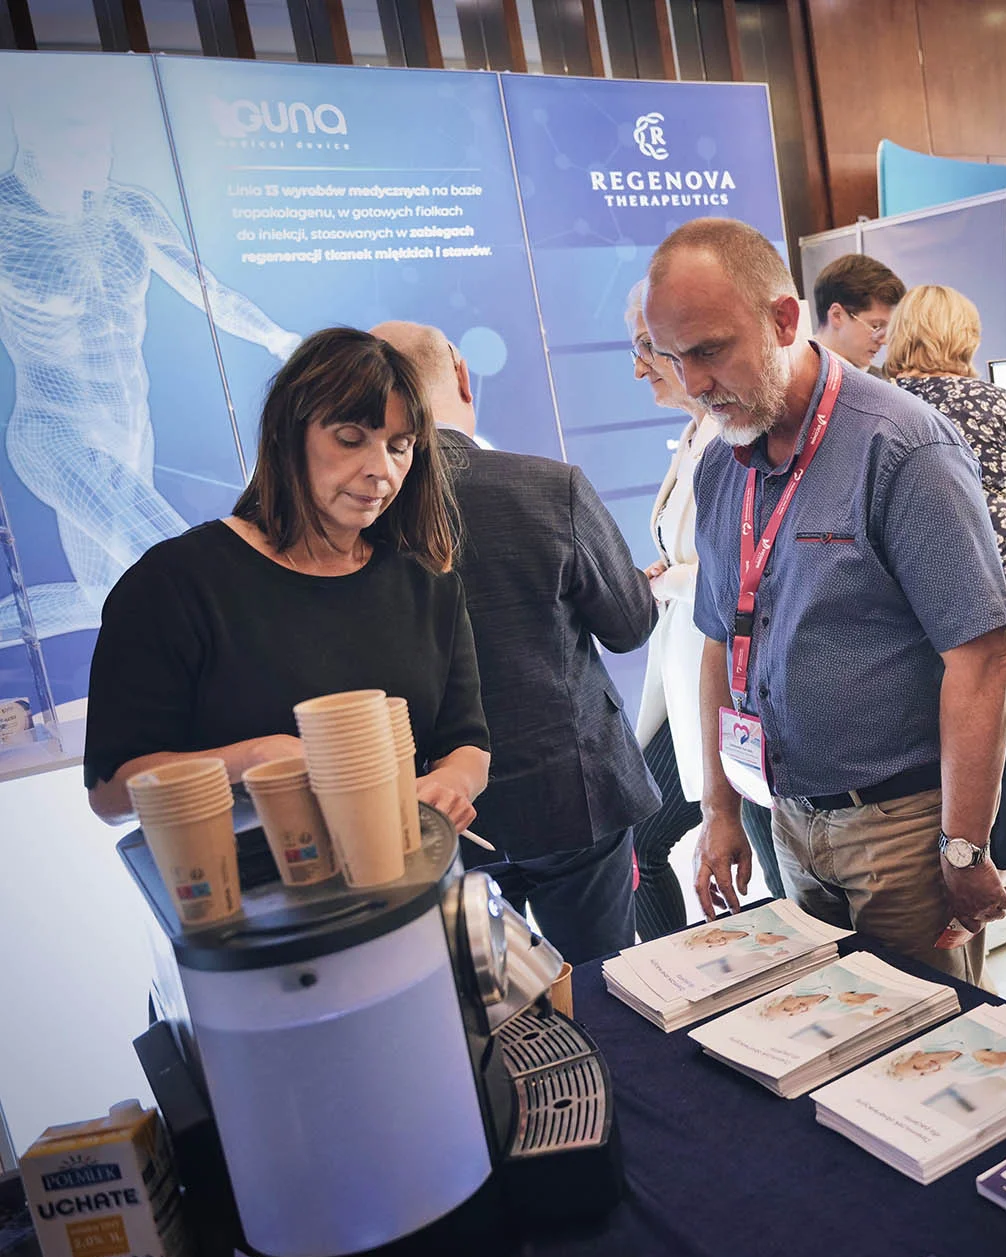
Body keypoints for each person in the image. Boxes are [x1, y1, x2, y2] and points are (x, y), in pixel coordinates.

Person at [642, 218, 1006, 985]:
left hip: (903, 830)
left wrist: (963, 845)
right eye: (675, 360)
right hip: (786, 816)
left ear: (784, 319)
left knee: (925, 1057)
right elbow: (719, 640)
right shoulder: (723, 467)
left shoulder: (902, 447)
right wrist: (719, 809)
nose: (696, 384)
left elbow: (979, 659)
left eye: (710, 351)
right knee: (830, 1043)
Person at [83, 327, 489, 834]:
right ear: (288, 434)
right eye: (350, 439)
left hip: (407, 876)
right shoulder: (175, 583)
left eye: (400, 446)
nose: (380, 470)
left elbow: (466, 741)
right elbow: (112, 791)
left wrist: (453, 782)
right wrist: (254, 757)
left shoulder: (427, 582)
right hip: (245, 895)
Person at [371, 322, 659, 962]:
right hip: (572, 799)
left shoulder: (358, 516)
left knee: (483, 1008)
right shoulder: (549, 487)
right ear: (463, 375)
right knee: (604, 990)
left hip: (444, 814)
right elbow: (629, 626)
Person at [0, 70, 300, 646]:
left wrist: (277, 338)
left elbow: (207, 290)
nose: (99, 159)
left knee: (102, 597)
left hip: (131, 432)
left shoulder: (127, 210)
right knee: (194, 568)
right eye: (80, 143)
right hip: (57, 435)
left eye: (104, 142)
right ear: (29, 135)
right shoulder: (6, 218)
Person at [887, 284, 1006, 1001]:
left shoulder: (871, 409)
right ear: (965, 336)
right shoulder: (1001, 405)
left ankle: (944, 930)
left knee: (931, 768)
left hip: (915, 614)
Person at [622, 282, 784, 939]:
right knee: (642, 838)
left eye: (645, 348)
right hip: (689, 680)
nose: (640, 367)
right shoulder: (694, 437)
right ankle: (674, 984)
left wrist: (674, 581)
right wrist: (673, 576)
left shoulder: (739, 438)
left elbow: (754, 571)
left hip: (740, 693)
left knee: (780, 865)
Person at [811, 253, 905, 375]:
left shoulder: (883, 383)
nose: (884, 341)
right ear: (837, 315)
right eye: (876, 326)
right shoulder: (794, 380)